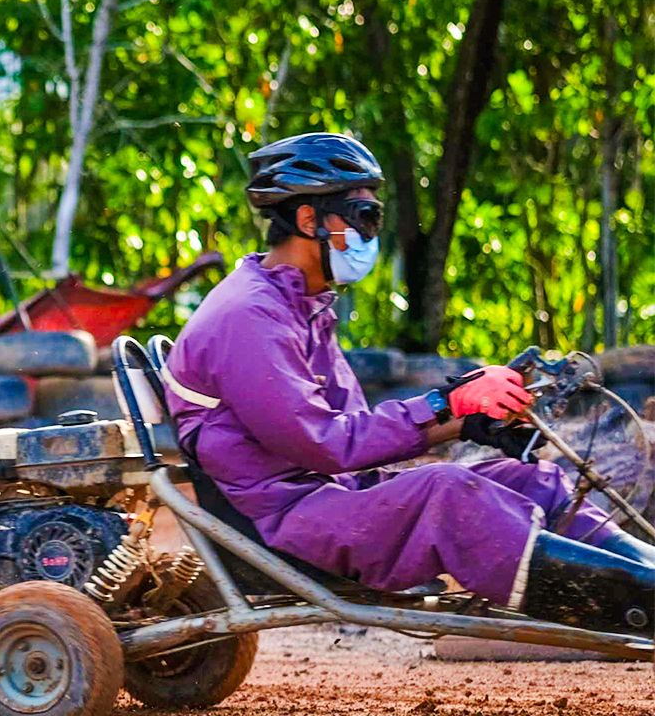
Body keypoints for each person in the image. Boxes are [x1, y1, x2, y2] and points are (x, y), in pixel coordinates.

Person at [163, 132, 655, 637]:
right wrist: (447, 402)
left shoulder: (303, 306)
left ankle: (648, 578)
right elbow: (327, 442)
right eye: (362, 217)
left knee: (530, 481)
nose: (371, 232)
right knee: (448, 495)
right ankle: (639, 602)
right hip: (287, 520)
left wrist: (466, 421)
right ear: (309, 220)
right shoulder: (250, 316)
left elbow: (352, 429)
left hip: (328, 496)